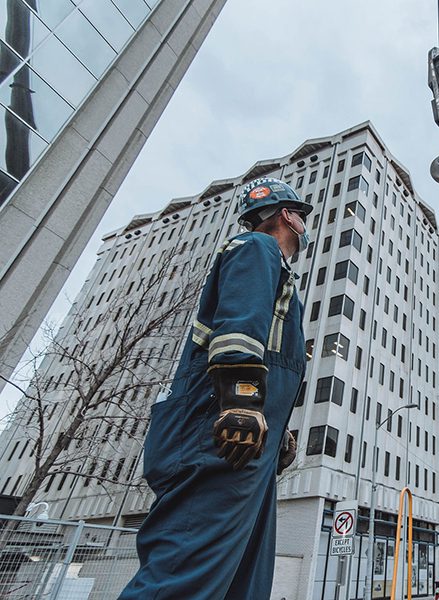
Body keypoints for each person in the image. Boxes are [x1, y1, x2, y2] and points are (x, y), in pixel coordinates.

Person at [120, 177, 311, 599]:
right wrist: (242, 401)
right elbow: (238, 331)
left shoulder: (280, 277)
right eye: (301, 214)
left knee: (241, 583)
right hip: (218, 437)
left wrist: (276, 433)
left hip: (248, 453)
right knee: (185, 576)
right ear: (286, 215)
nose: (304, 223)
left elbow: (269, 352)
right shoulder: (255, 248)